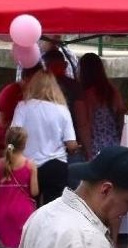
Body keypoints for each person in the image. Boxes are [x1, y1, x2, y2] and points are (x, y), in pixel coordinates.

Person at [14, 70, 79, 208]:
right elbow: (71, 144)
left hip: (27, 164)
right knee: (54, 212)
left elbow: (14, 136)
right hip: (55, 165)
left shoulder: (22, 107)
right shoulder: (62, 110)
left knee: (28, 209)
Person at [0, 126, 38, 248]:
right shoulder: (30, 164)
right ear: (24, 144)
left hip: (2, 210)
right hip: (23, 210)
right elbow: (34, 192)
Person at [75, 54, 126, 158]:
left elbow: (85, 125)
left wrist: (88, 152)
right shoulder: (112, 90)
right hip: (114, 143)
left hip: (96, 146)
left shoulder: (86, 95)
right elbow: (122, 115)